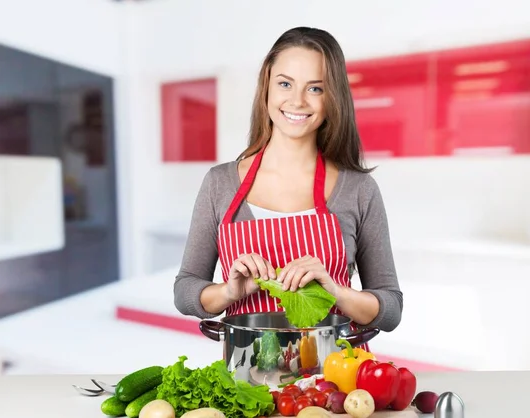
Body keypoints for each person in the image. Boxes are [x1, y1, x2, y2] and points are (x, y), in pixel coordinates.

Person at [173, 27, 403, 347]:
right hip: (249, 381)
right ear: (267, 85)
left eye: (315, 89)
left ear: (332, 97)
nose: (297, 101)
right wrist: (229, 291)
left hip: (337, 383)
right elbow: (185, 291)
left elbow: (391, 309)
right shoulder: (219, 184)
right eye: (285, 84)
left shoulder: (359, 189)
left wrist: (336, 291)